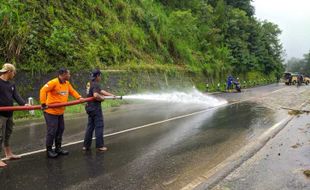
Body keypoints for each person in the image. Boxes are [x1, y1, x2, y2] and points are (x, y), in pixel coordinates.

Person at [40, 68, 84, 158]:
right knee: (52, 131)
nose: (70, 75)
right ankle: (49, 150)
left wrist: (79, 97)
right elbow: (43, 90)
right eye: (69, 74)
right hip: (51, 112)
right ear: (63, 74)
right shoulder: (53, 82)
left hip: (60, 112)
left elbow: (72, 91)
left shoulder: (66, 83)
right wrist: (43, 103)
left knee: (60, 129)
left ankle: (58, 148)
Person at [0, 63, 28, 168]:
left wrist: (24, 104)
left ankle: (8, 154)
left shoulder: (11, 84)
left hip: (9, 114)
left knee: (7, 134)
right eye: (14, 72)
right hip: (0, 115)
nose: (14, 75)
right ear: (9, 72)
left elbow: (16, 96)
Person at [83, 69, 115, 152]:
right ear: (97, 76)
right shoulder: (96, 84)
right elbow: (96, 95)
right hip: (95, 108)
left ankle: (86, 146)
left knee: (90, 127)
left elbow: (101, 91)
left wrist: (112, 95)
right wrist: (101, 98)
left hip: (89, 107)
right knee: (99, 126)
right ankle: (100, 146)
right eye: (100, 76)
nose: (100, 77)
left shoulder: (89, 83)